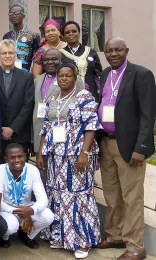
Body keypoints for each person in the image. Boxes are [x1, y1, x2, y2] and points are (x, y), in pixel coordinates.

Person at [96, 37, 156, 260]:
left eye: (118, 50)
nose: (113, 54)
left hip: (130, 146)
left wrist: (141, 148)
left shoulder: (141, 74)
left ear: (126, 51)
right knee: (112, 194)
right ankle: (115, 235)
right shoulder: (104, 74)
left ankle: (136, 246)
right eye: (109, 50)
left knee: (132, 197)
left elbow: (148, 115)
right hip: (106, 143)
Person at [37, 63, 101, 259]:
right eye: (61, 76)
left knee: (78, 195)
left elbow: (91, 126)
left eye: (68, 75)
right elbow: (45, 128)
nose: (64, 78)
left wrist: (85, 152)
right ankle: (61, 237)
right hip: (56, 155)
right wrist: (41, 153)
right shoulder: (53, 99)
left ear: (75, 77)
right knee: (59, 195)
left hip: (77, 156)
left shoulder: (84, 96)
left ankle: (83, 241)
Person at [0, 39, 34, 164]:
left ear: (15, 55)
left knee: (19, 171)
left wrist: (12, 128)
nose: (7, 56)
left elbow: (28, 105)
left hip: (19, 135)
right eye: (4, 53)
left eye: (11, 53)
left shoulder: (26, 77)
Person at [0, 143, 54, 249]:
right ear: (6, 159)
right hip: (7, 210)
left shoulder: (32, 170)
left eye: (20, 156)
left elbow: (43, 199)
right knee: (10, 227)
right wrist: (20, 212)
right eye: (12, 157)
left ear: (25, 156)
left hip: (27, 208)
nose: (17, 160)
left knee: (48, 216)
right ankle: (5, 237)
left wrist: (31, 210)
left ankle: (28, 236)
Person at [60, 21, 103, 101]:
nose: (71, 34)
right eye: (67, 32)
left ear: (79, 33)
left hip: (91, 95)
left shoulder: (91, 51)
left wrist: (100, 92)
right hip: (70, 97)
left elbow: (99, 75)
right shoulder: (60, 54)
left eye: (74, 31)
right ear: (64, 37)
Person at [3, 4, 40, 72]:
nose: (14, 16)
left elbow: (36, 59)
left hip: (26, 74)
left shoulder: (33, 36)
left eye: (17, 13)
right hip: (9, 73)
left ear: (23, 16)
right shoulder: (6, 36)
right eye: (11, 14)